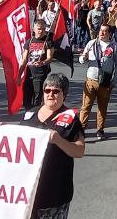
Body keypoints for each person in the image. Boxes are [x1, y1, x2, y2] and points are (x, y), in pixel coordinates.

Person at [25, 73, 86, 219]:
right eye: (47, 90)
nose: (51, 94)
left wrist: (59, 140)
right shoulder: (30, 114)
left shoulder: (71, 118)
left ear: (64, 94)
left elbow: (79, 151)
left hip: (55, 191)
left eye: (56, 91)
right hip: (29, 190)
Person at [79, 23, 117, 140]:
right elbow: (81, 60)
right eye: (100, 31)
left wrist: (114, 81)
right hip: (91, 80)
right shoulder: (92, 43)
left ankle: (100, 130)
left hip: (105, 82)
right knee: (85, 107)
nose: (102, 33)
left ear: (110, 34)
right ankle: (81, 130)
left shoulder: (115, 47)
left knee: (102, 108)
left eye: (105, 31)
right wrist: (84, 57)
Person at [22, 20, 53, 109]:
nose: (41, 31)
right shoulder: (29, 41)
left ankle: (36, 117)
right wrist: (19, 75)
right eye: (39, 29)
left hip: (40, 74)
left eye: (43, 29)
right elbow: (24, 59)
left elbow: (50, 58)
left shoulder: (48, 41)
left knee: (37, 98)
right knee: (26, 98)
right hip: (29, 74)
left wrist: (42, 62)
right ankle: (27, 114)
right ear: (34, 29)